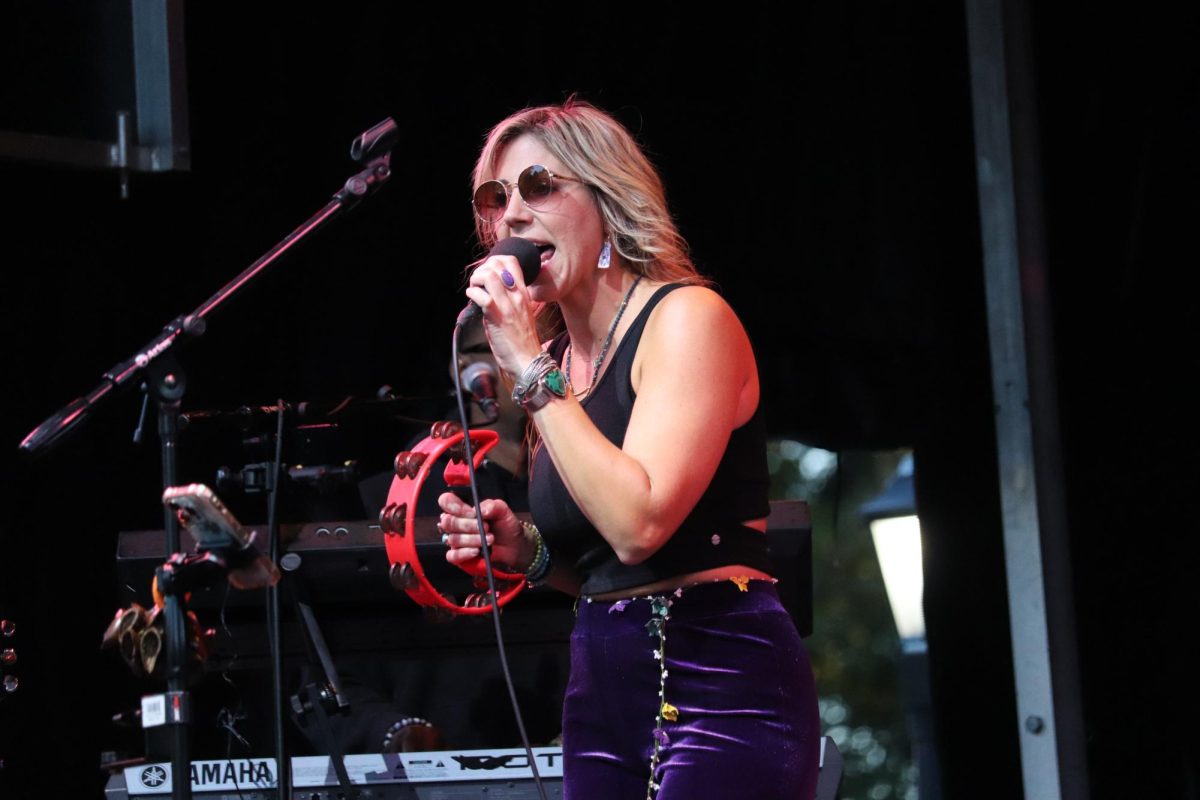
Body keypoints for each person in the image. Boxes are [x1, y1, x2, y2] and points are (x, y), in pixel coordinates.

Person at [437, 98, 820, 799]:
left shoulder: (686, 319)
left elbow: (640, 525)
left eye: (539, 186)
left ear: (608, 199)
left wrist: (528, 372)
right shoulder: (553, 362)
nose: (511, 217)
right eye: (495, 199)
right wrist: (527, 551)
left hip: (720, 686)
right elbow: (604, 568)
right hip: (603, 695)